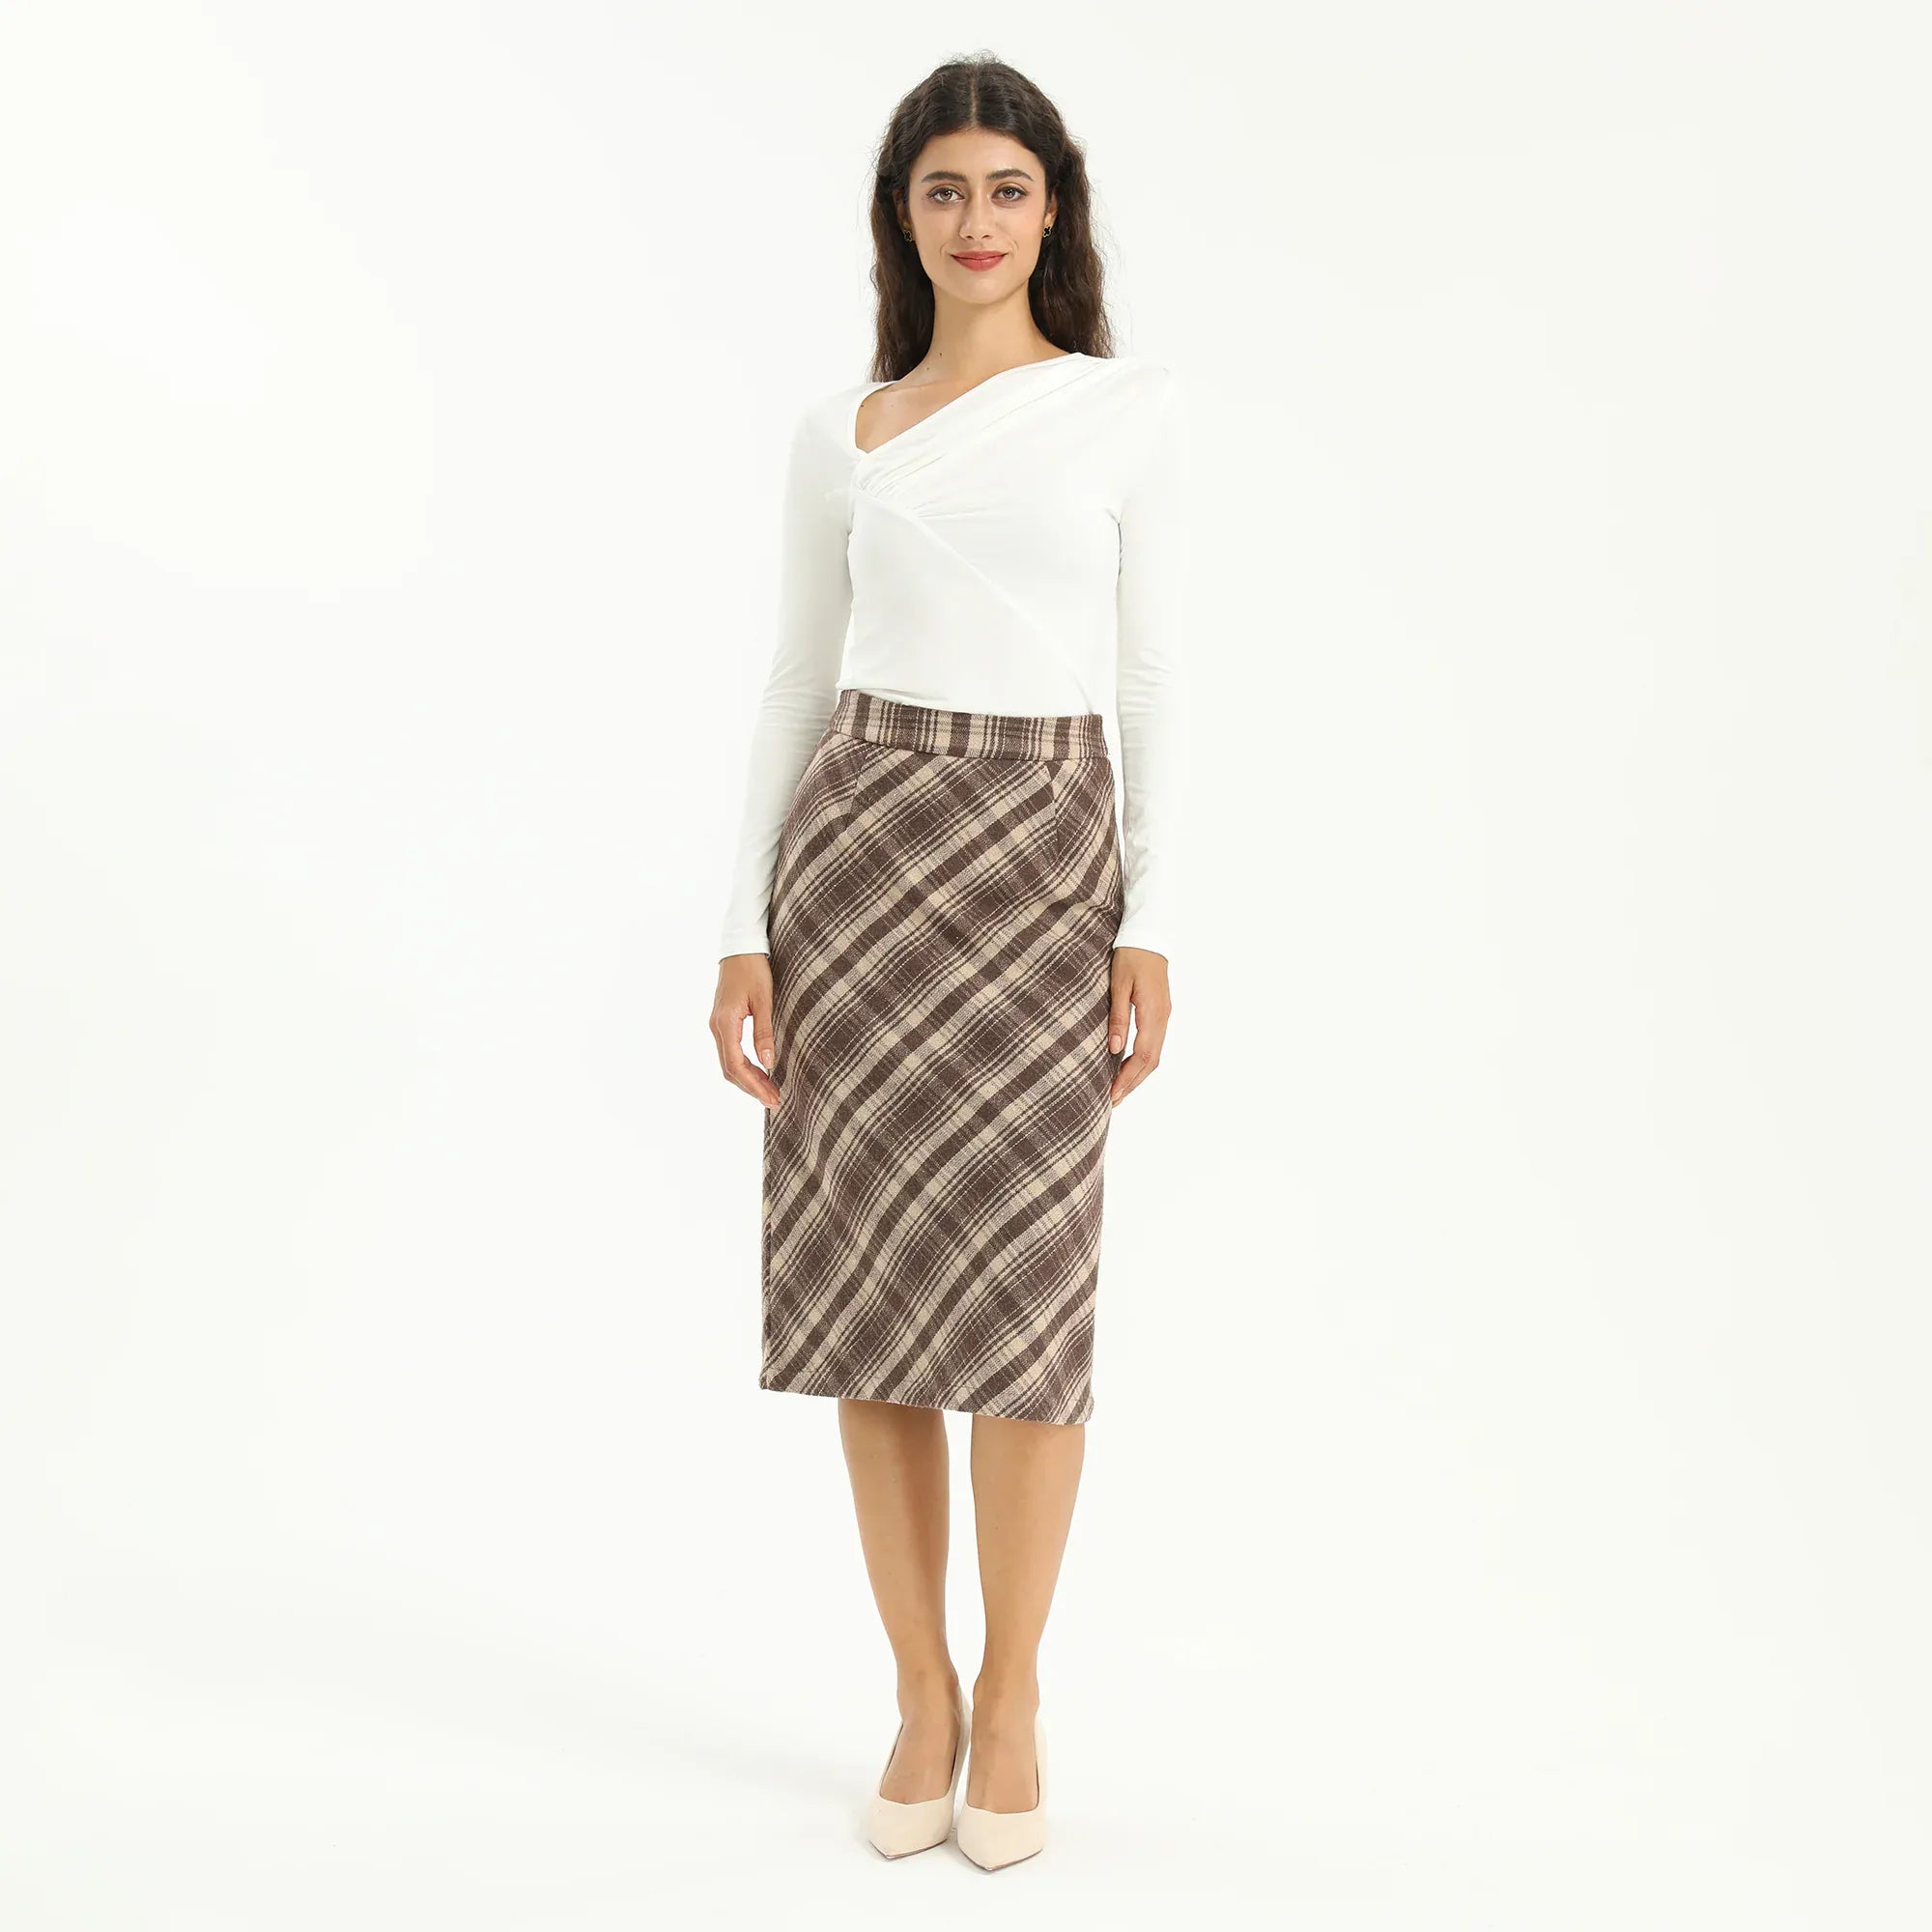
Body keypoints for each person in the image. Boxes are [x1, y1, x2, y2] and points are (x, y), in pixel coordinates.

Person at [707, 54, 1187, 1871]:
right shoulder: (842, 432)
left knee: (1028, 1311)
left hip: (1049, 859)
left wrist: (1153, 915)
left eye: (1006, 187)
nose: (976, 221)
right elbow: (792, 678)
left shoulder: (1127, 412)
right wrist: (742, 927)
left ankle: (1016, 1694)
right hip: (863, 859)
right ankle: (920, 1691)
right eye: (943, 190)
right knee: (879, 1301)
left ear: (1052, 210)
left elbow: (1152, 679)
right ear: (901, 217)